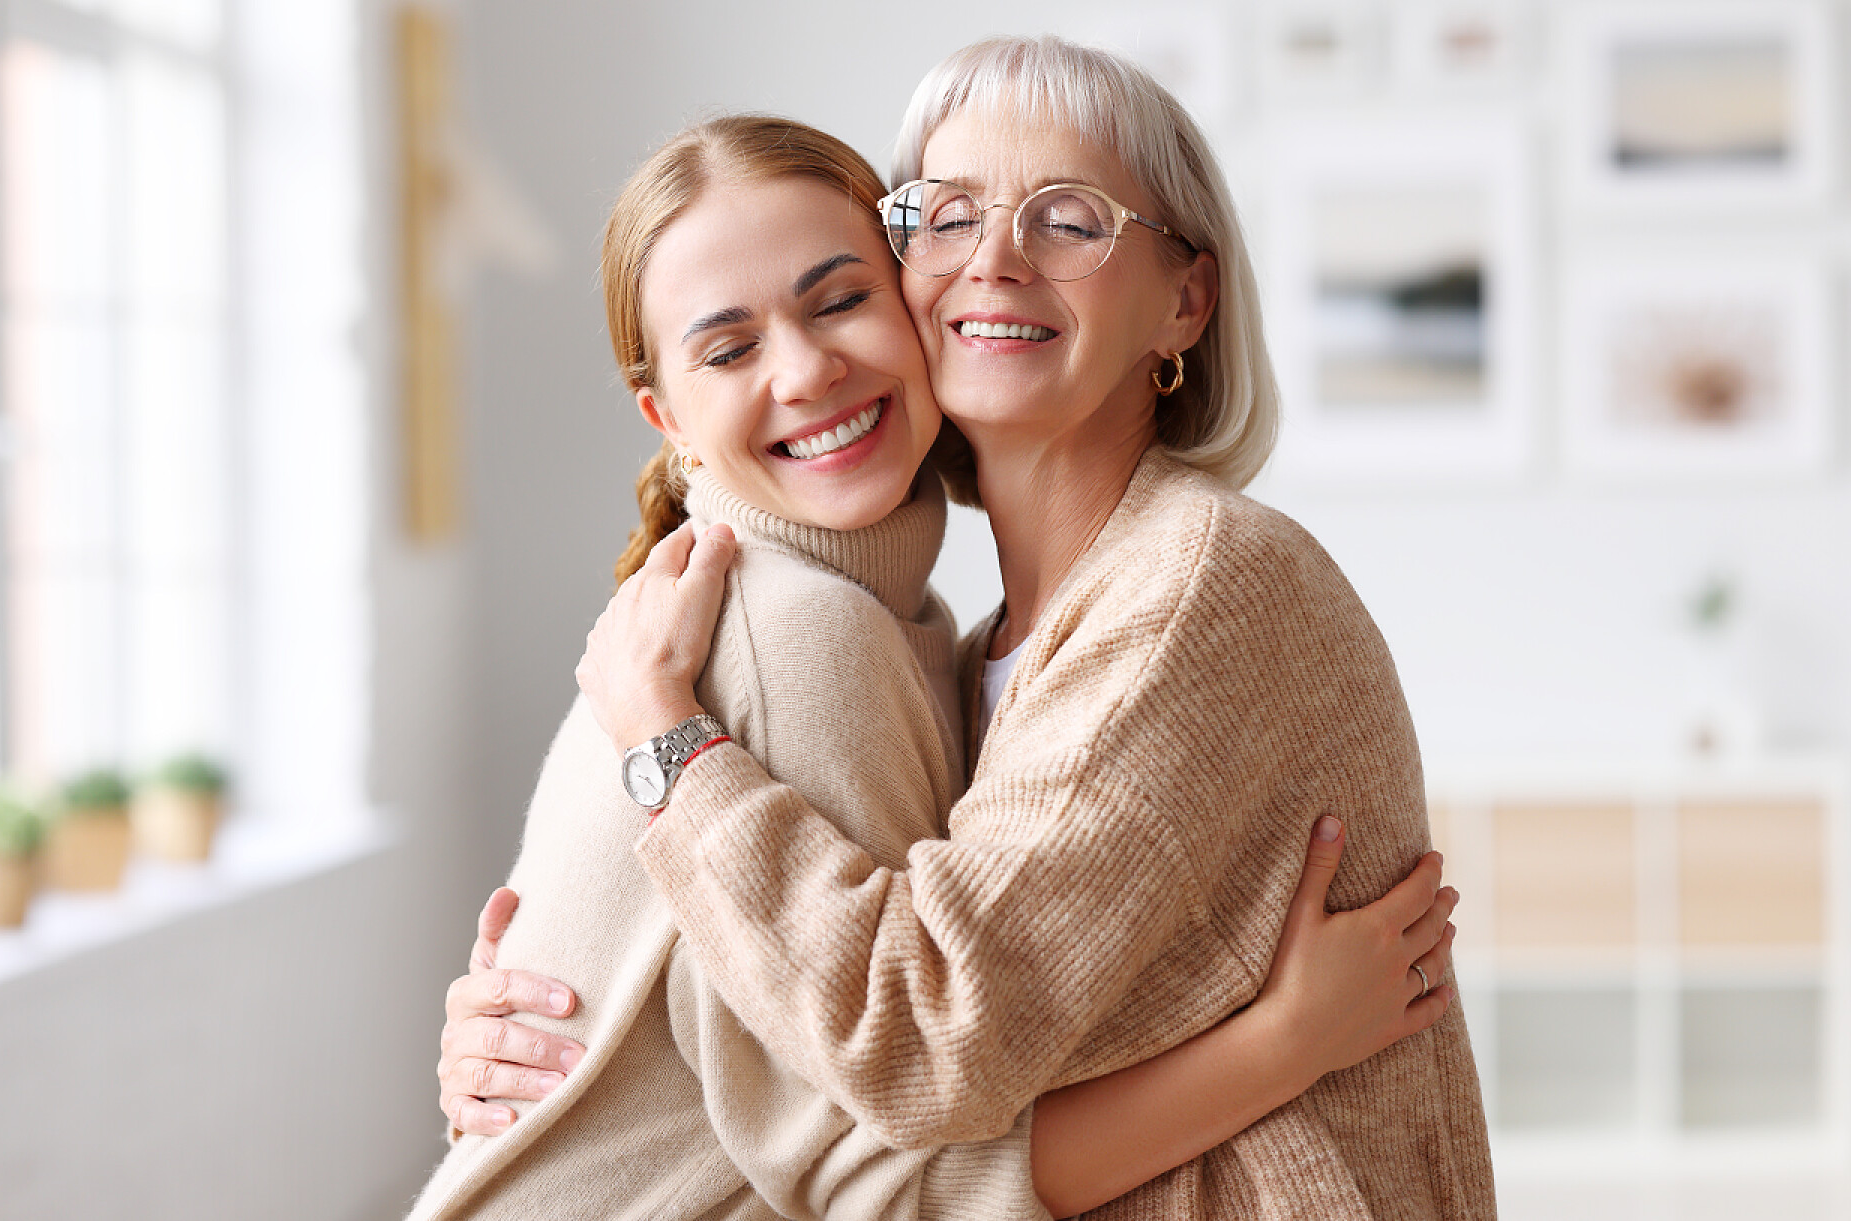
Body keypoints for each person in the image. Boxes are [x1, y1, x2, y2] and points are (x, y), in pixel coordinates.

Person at [420, 112, 1459, 1221]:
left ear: (917, 304)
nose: (807, 370)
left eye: (840, 300)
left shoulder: (916, 633)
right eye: (729, 350)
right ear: (665, 417)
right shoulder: (798, 634)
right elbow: (891, 1172)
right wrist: (1280, 1048)